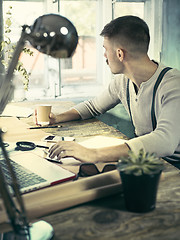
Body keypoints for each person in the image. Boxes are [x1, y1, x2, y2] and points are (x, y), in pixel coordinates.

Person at [36, 15, 180, 169]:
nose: (104, 55)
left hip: (173, 168)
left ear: (120, 54)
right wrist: (57, 118)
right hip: (143, 161)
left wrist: (93, 154)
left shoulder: (173, 85)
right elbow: (93, 106)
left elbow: (165, 141)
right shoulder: (123, 81)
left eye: (105, 49)